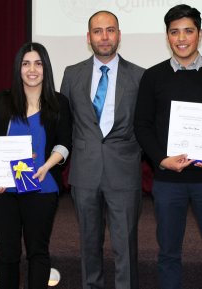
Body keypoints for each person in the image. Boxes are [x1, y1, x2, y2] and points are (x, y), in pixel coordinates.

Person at [134, 4, 202, 289]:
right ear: (167, 37)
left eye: (188, 31)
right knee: (168, 253)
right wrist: (160, 160)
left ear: (199, 34)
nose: (181, 38)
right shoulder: (153, 76)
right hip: (168, 180)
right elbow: (141, 125)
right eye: (174, 32)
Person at [60, 10, 144, 289]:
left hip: (124, 172)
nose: (104, 37)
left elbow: (145, 126)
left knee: (126, 247)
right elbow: (65, 123)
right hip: (85, 173)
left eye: (110, 30)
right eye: (98, 31)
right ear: (88, 37)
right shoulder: (72, 75)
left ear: (119, 35)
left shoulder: (140, 76)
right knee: (89, 244)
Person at [0, 42, 72, 289]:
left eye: (38, 63)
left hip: (42, 187)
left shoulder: (59, 103)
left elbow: (64, 144)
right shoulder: (2, 100)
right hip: (5, 191)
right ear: (18, 69)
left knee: (37, 252)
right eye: (26, 64)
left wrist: (46, 166)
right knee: (7, 254)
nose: (32, 69)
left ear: (46, 68)